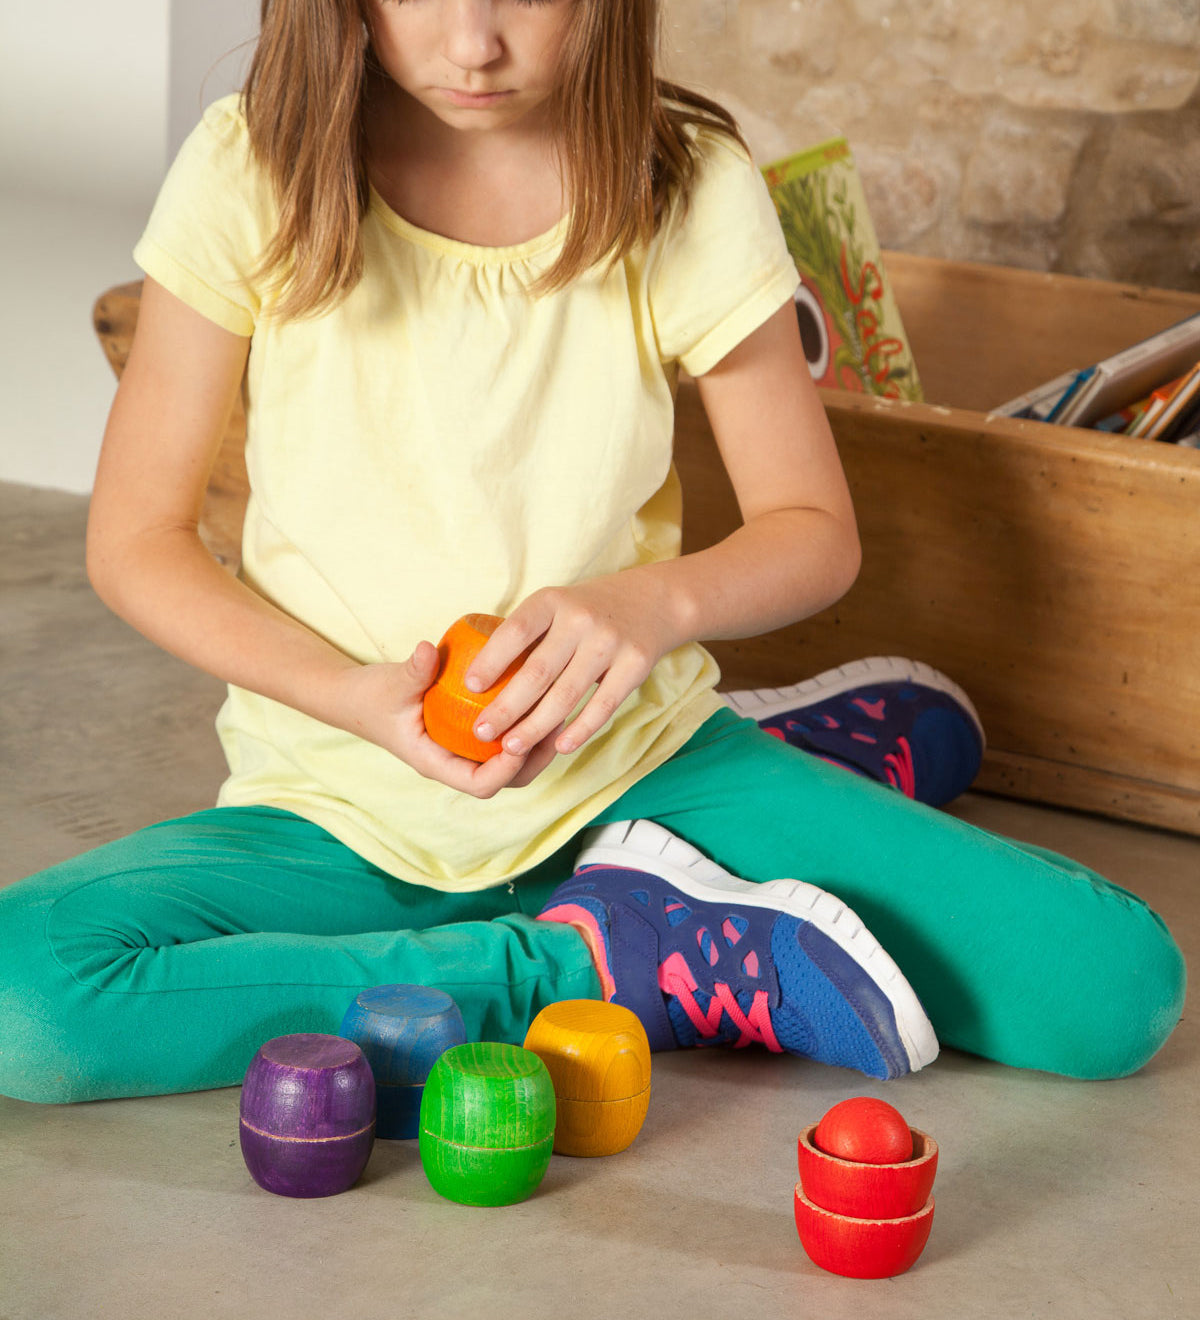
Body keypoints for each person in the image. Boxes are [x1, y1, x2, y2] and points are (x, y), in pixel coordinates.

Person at [0, 0, 1183, 1105]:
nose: (473, 44)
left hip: (638, 768)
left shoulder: (684, 181)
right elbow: (136, 539)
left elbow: (813, 532)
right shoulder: (246, 167)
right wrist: (351, 701)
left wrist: (649, 607)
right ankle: (597, 962)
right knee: (26, 999)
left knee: (1111, 990)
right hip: (335, 808)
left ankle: (720, 808)